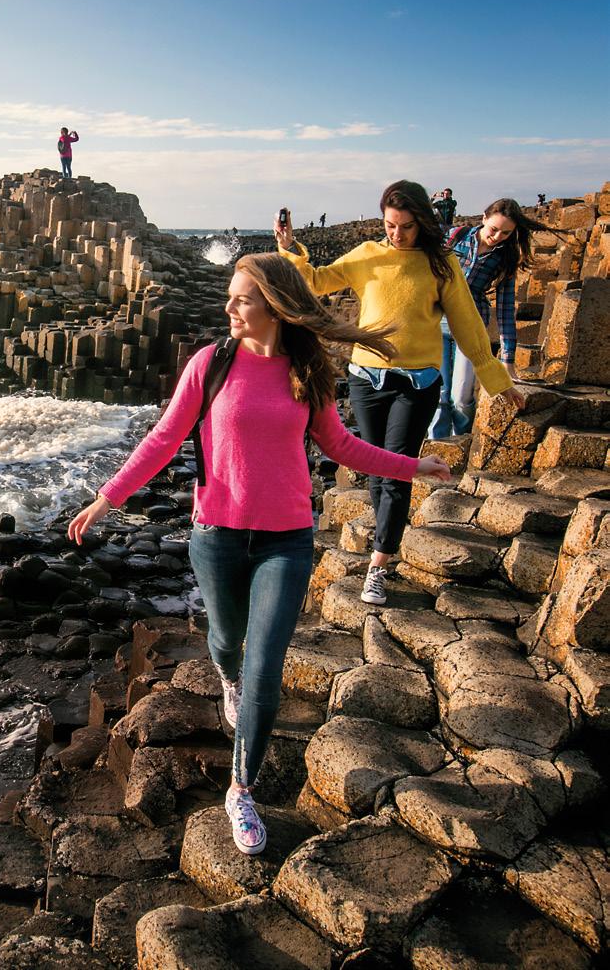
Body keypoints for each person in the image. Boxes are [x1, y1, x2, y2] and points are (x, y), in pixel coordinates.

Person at [68, 253, 450, 856]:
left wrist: (414, 465)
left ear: (273, 304)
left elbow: (342, 445)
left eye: (241, 299)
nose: (229, 309)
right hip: (216, 534)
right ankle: (226, 678)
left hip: (288, 539)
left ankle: (240, 788)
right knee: (226, 642)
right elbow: (165, 436)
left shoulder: (308, 368)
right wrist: (106, 499)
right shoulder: (211, 364)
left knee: (265, 662)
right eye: (229, 297)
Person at [275, 180, 523, 607]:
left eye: (406, 226)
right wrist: (290, 249)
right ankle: (386, 541)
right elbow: (315, 282)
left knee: (396, 472)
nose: (397, 234)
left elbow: (466, 324)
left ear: (422, 222)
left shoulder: (441, 263)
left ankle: (378, 565)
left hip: (418, 382)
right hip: (366, 379)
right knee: (377, 470)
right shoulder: (368, 256)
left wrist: (497, 380)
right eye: (390, 225)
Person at [430, 197, 560, 438]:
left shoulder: (504, 258)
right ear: (483, 218)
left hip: (471, 326)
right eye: (494, 229)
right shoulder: (455, 237)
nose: (498, 236)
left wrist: (508, 361)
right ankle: (435, 448)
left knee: (460, 396)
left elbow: (505, 310)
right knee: (438, 394)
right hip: (435, 323)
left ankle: (461, 443)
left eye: (506, 233)